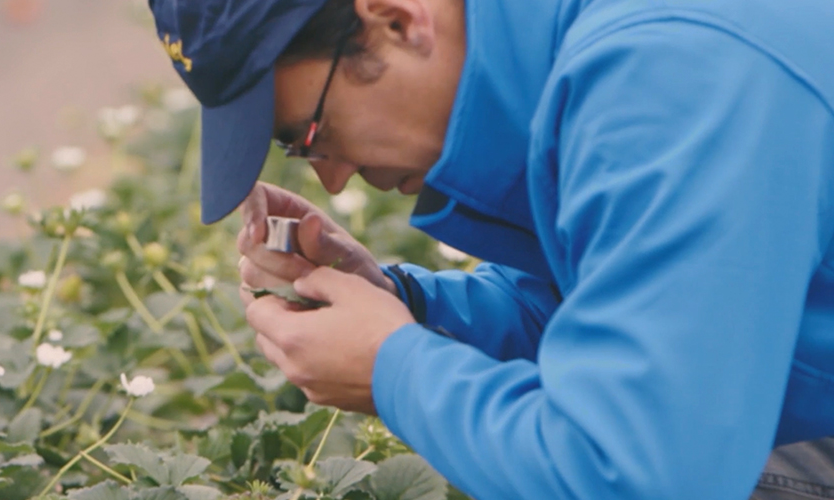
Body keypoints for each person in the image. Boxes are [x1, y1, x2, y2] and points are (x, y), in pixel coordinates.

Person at [146, 0, 834, 498]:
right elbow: (596, 314)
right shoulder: (567, 44)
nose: (331, 175)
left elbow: (636, 474)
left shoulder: (665, 79)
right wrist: (402, 308)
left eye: (312, 134)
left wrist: (393, 366)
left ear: (396, 19)